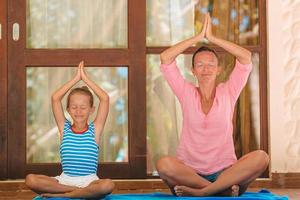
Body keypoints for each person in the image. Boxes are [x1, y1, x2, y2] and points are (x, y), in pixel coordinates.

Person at [156, 13, 269, 197]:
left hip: (225, 172)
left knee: (261, 157)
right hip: (190, 172)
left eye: (211, 64)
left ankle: (202, 192)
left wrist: (213, 38)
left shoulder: (228, 91)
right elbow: (166, 58)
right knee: (164, 164)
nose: (206, 69)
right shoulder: (186, 92)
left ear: (219, 70)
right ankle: (219, 190)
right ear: (193, 71)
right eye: (200, 64)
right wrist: (197, 38)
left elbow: (246, 57)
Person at [25, 61, 115, 199]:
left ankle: (68, 194)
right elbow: (55, 98)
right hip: (64, 181)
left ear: (92, 110)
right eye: (74, 107)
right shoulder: (64, 127)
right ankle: (75, 192)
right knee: (30, 179)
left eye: (83, 107)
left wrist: (85, 78)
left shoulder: (95, 129)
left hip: (89, 182)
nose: (78, 111)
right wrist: (75, 79)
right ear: (67, 109)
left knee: (107, 185)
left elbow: (105, 99)